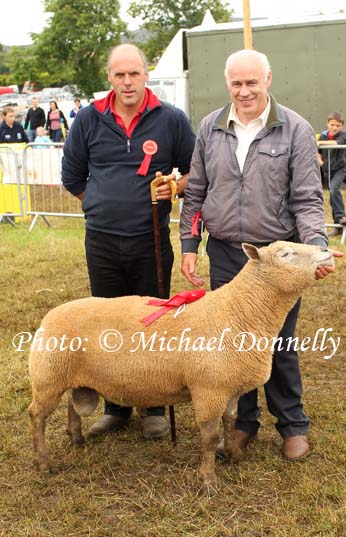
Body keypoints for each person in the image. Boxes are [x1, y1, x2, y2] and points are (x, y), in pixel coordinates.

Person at [180, 49, 342, 461]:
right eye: (237, 83)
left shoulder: (296, 129)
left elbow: (307, 199)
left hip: (276, 260)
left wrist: (317, 249)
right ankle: (244, 424)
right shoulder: (210, 126)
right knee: (230, 345)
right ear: (227, 83)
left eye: (252, 82)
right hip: (227, 253)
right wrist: (189, 245)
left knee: (278, 341)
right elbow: (196, 191)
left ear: (268, 79)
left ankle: (292, 425)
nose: (244, 90)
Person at [62, 44, 195, 440]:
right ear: (110, 78)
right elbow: (72, 176)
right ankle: (117, 407)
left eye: (134, 74)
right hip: (101, 241)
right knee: (108, 323)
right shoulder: (88, 119)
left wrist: (174, 186)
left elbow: (194, 174)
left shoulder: (171, 119)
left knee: (150, 322)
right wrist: (104, 204)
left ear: (146, 74)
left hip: (150, 240)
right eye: (119, 75)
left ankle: (154, 405)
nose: (127, 82)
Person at [317, 112, 346, 236]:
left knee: (334, 189)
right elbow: (317, 153)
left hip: (340, 169)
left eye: (338, 125)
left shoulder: (344, 135)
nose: (334, 127)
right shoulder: (323, 136)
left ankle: (341, 216)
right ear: (327, 124)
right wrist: (321, 164)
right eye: (332, 125)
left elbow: (337, 143)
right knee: (332, 197)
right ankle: (338, 227)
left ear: (341, 126)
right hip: (327, 170)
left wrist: (320, 143)